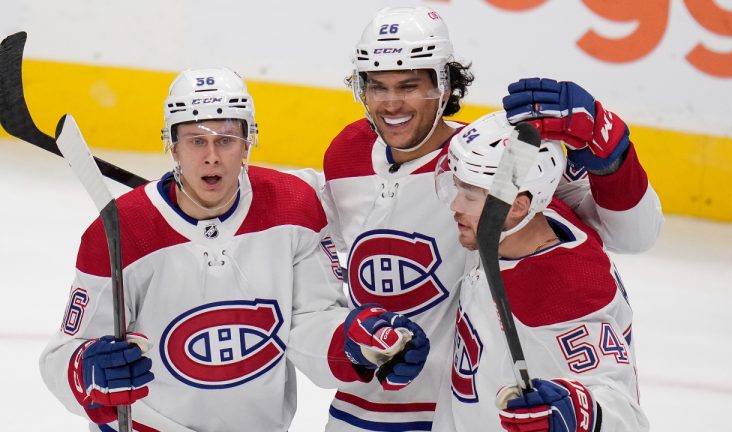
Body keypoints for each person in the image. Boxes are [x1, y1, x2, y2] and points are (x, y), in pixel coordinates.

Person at [319, 5, 661, 431]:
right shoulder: (346, 152)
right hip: (363, 404)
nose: (390, 103)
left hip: (449, 409)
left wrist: (611, 157)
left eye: (409, 86)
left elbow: (633, 235)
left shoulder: (492, 164)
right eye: (377, 86)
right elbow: (330, 269)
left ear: (445, 86)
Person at [39, 67, 430, 432]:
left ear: (247, 143)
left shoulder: (292, 207)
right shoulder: (124, 231)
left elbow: (308, 321)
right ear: (172, 147)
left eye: (225, 140)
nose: (211, 156)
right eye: (196, 141)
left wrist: (353, 342)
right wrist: (84, 370)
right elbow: (62, 354)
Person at [431, 111, 649, 431]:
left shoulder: (565, 289)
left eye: (470, 195)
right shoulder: (526, 221)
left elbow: (626, 416)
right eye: (457, 187)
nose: (455, 206)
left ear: (518, 205)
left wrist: (581, 411)